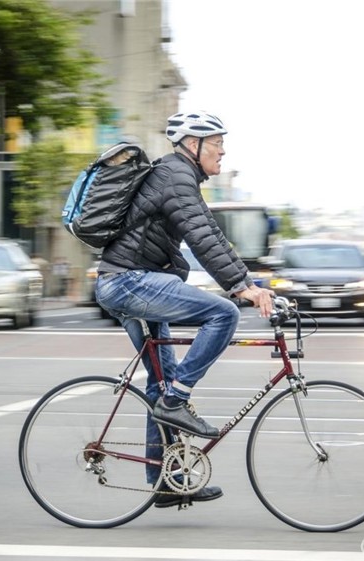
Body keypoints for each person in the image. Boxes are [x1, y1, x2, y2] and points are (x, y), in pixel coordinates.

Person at [93, 110, 275, 507]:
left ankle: (164, 482)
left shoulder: (180, 177)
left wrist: (250, 282)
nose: (223, 152)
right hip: (128, 282)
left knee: (160, 383)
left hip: (130, 280)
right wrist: (243, 288)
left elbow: (211, 233)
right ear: (193, 144)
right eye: (217, 144)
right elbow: (203, 236)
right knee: (223, 314)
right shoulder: (175, 176)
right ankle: (177, 403)